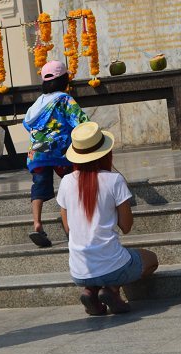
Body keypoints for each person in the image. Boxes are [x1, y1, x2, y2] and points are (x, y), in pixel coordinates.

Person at [57, 121, 158, 315]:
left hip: (79, 271)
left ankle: (90, 291)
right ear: (104, 152)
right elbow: (126, 226)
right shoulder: (114, 180)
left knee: (101, 267)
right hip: (112, 266)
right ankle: (112, 290)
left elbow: (68, 228)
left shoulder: (66, 182)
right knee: (151, 259)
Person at [23, 60, 88, 248]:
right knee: (69, 185)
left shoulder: (38, 103)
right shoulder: (64, 99)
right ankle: (69, 229)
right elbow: (81, 121)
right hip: (61, 151)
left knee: (39, 186)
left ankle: (37, 223)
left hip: (37, 152)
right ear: (64, 80)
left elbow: (27, 124)